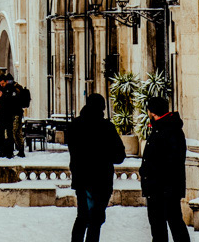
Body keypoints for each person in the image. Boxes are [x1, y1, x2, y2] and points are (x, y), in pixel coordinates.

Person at [66, 92, 126, 242]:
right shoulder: (107, 127)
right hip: (101, 179)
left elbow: (73, 150)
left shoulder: (75, 125)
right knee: (95, 220)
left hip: (82, 179)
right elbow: (119, 155)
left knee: (82, 217)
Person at [139, 96, 190, 242]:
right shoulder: (162, 129)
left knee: (171, 225)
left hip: (163, 188)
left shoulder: (167, 130)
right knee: (162, 226)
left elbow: (170, 161)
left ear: (152, 112)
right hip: (160, 187)